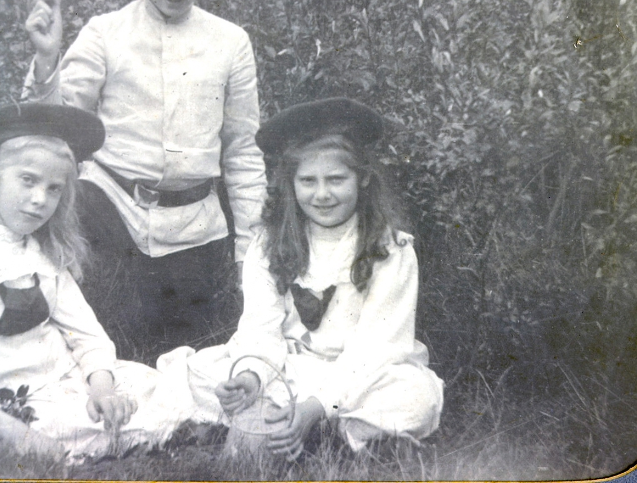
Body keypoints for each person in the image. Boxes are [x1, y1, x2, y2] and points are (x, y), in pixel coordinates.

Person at [20, 0, 266, 363]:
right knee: (112, 355)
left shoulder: (231, 42)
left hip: (196, 228)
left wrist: (248, 252)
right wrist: (47, 59)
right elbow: (54, 130)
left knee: (198, 364)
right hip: (112, 219)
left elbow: (243, 151)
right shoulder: (104, 33)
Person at [168, 98, 443, 459]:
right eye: (308, 181)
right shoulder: (268, 244)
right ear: (291, 182)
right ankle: (309, 424)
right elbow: (261, 330)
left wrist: (317, 405)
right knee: (198, 372)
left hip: (360, 373)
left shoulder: (391, 249)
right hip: (287, 366)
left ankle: (318, 422)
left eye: (336, 179)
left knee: (414, 395)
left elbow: (377, 348)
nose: (322, 194)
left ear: (362, 178)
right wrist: (250, 377)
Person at [0, 103, 183, 461]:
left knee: (160, 386)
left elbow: (87, 335)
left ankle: (161, 422)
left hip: (67, 381)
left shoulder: (42, 255)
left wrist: (102, 389)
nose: (40, 199)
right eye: (28, 180)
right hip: (13, 406)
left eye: (54, 189)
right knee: (94, 426)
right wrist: (17, 434)